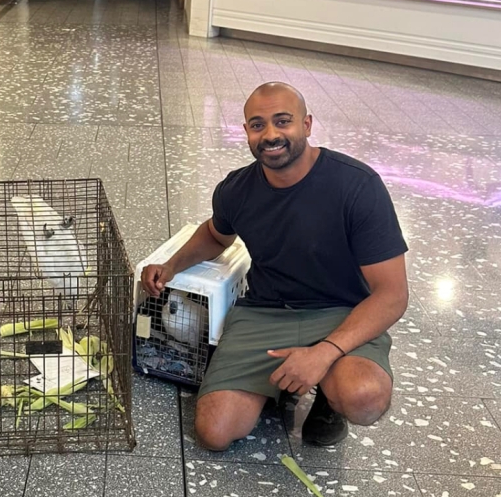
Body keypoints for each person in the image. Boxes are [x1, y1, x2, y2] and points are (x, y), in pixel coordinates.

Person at [142, 82, 408, 451]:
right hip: (266, 312)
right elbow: (216, 235)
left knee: (363, 398)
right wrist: (170, 265)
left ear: (307, 124)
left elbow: (392, 295)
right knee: (214, 432)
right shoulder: (237, 188)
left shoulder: (357, 186)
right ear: (247, 132)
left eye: (283, 121)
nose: (270, 135)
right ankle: (278, 384)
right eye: (257, 124)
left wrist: (324, 352)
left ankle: (329, 401)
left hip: (341, 311)